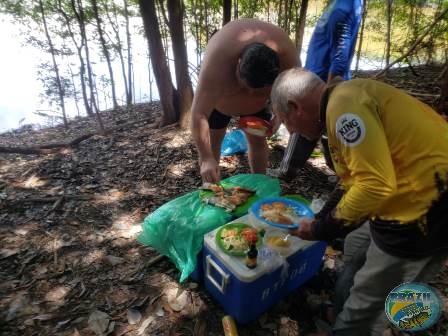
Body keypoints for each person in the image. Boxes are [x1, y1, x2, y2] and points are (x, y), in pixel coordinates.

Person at [270, 67, 448, 335]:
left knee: (367, 306)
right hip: (411, 191)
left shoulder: (343, 108)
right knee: (355, 245)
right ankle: (342, 307)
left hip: (424, 211)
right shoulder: (345, 96)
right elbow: (355, 178)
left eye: (286, 122)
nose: (292, 131)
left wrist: (320, 229)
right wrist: (322, 219)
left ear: (295, 107)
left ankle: (356, 323)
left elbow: (374, 185)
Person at [190, 18, 298, 183]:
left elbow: (293, 93)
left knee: (257, 140)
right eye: (245, 86)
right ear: (238, 63)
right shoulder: (218, 58)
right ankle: (210, 191)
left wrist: (279, 115)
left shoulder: (287, 57)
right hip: (221, 104)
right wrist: (205, 158)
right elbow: (198, 113)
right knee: (213, 142)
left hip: (258, 108)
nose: (248, 93)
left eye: (257, 90)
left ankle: (260, 184)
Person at [273, 0, 363, 181]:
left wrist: (330, 98)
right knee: (321, 133)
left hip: (318, 88)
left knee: (308, 128)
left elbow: (340, 59)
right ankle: (342, 175)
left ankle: (345, 178)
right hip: (313, 82)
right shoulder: (343, 5)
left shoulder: (345, 8)